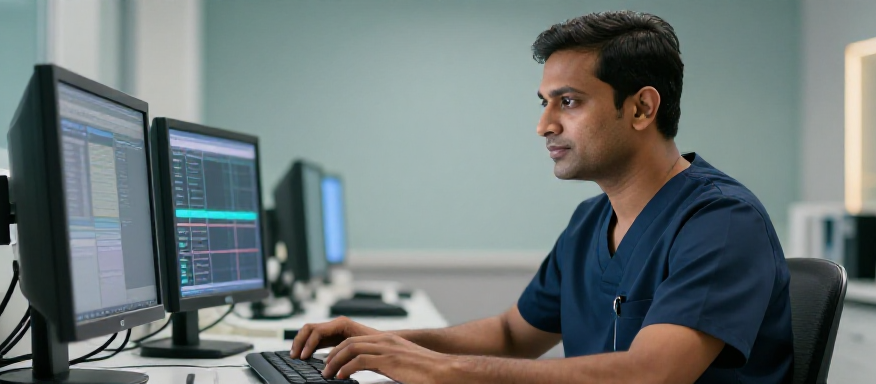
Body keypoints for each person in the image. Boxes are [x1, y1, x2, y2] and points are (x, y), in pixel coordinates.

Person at [291, 10, 793, 384]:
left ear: (641, 108)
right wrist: (386, 343)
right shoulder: (590, 221)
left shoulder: (722, 222)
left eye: (568, 102)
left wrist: (446, 370)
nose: (543, 125)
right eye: (544, 103)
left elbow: (651, 374)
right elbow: (513, 334)